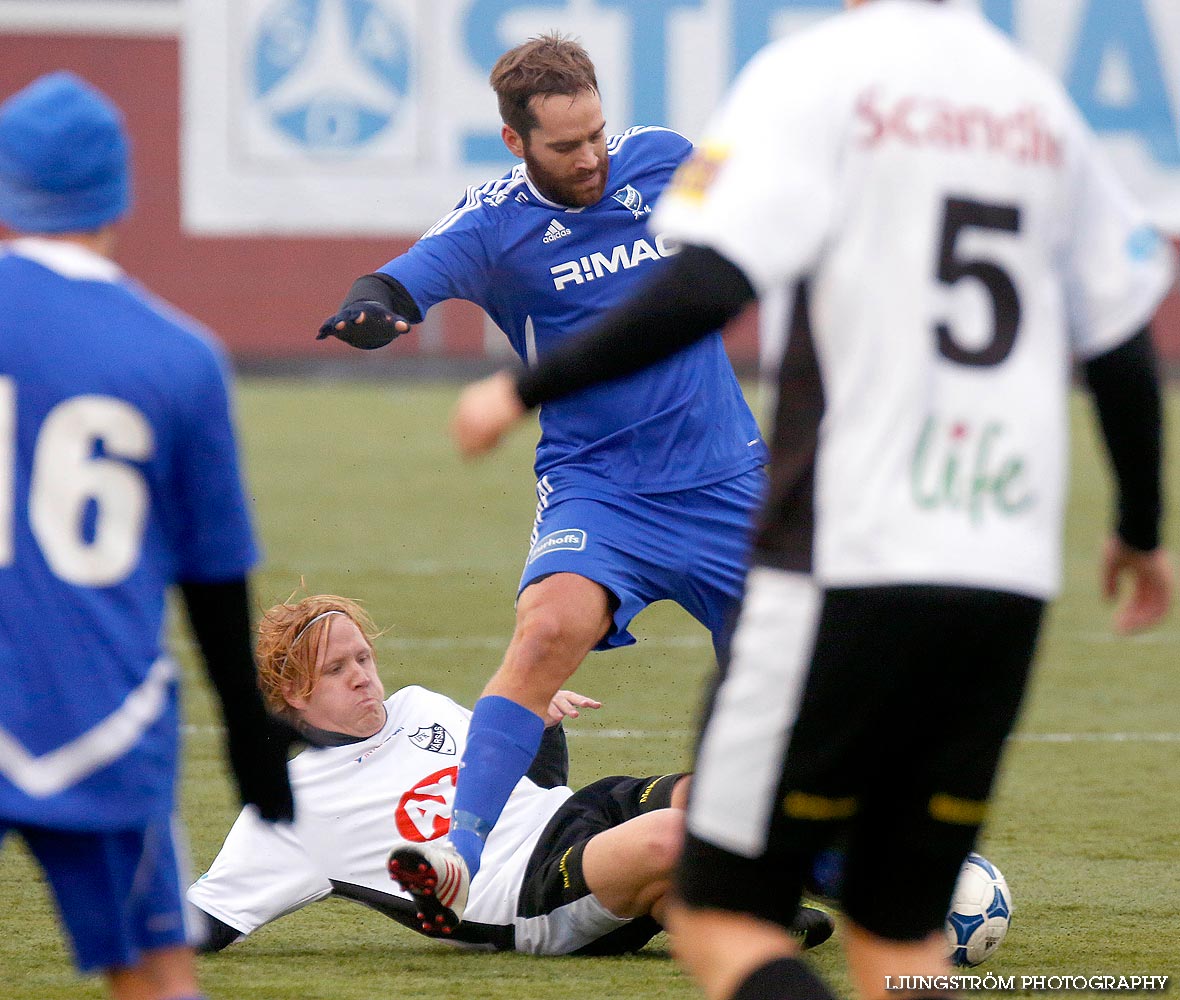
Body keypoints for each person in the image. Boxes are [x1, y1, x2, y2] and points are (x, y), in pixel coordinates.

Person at [449, 2, 1177, 999]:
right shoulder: (1035, 106)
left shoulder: (810, 78)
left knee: (716, 910)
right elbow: (1125, 347)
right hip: (1003, 574)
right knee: (898, 937)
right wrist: (1141, 527)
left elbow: (705, 283)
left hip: (847, 557)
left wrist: (518, 388)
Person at [316, 33, 769, 929]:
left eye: (597, 132)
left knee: (780, 690)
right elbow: (401, 282)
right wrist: (373, 309)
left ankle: (826, 858)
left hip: (727, 483)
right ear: (515, 142)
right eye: (567, 145)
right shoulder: (491, 225)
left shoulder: (664, 160)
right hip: (600, 489)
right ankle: (460, 855)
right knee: (547, 626)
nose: (593, 157)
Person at [0, 72, 299, 1000]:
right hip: (105, 709)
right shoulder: (177, 354)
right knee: (159, 977)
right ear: (119, 194)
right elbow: (217, 577)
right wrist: (252, 743)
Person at [187, 594, 835, 955]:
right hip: (525, 898)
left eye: (363, 656)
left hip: (567, 817)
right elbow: (205, 919)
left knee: (716, 794)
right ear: (293, 695)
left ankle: (724, 909)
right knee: (671, 837)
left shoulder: (420, 706)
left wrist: (544, 729)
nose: (362, 674)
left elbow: (535, 787)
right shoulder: (288, 804)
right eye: (336, 670)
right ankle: (755, 907)